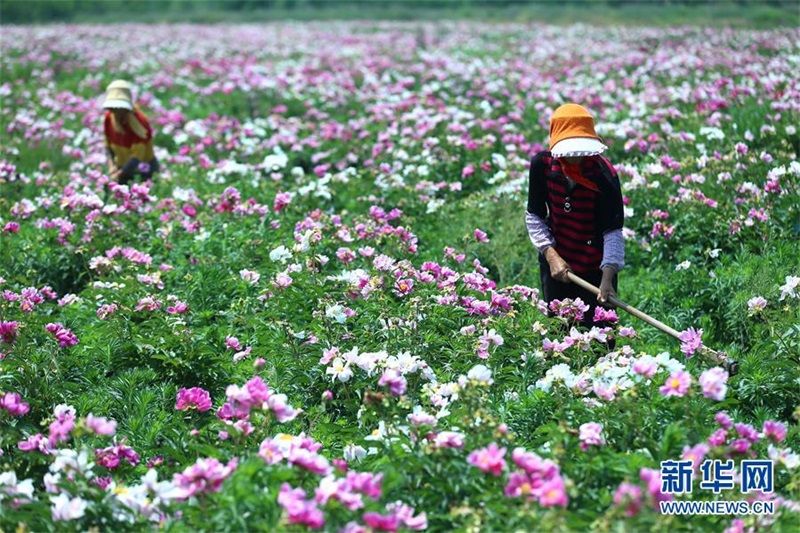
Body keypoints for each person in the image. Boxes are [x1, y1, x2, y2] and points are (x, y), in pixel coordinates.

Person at [525, 103, 624, 328]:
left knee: (600, 335)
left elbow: (613, 230)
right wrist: (552, 256)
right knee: (560, 330)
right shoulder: (541, 165)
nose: (575, 158)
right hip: (558, 261)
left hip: (596, 266)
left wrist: (607, 278)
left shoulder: (603, 175)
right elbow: (535, 216)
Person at [102, 79, 158, 184]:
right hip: (122, 165)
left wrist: (120, 173)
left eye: (120, 108)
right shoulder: (109, 118)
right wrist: (111, 166)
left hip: (143, 167)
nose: (117, 111)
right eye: (113, 108)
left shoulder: (139, 122)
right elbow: (107, 144)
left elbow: (137, 155)